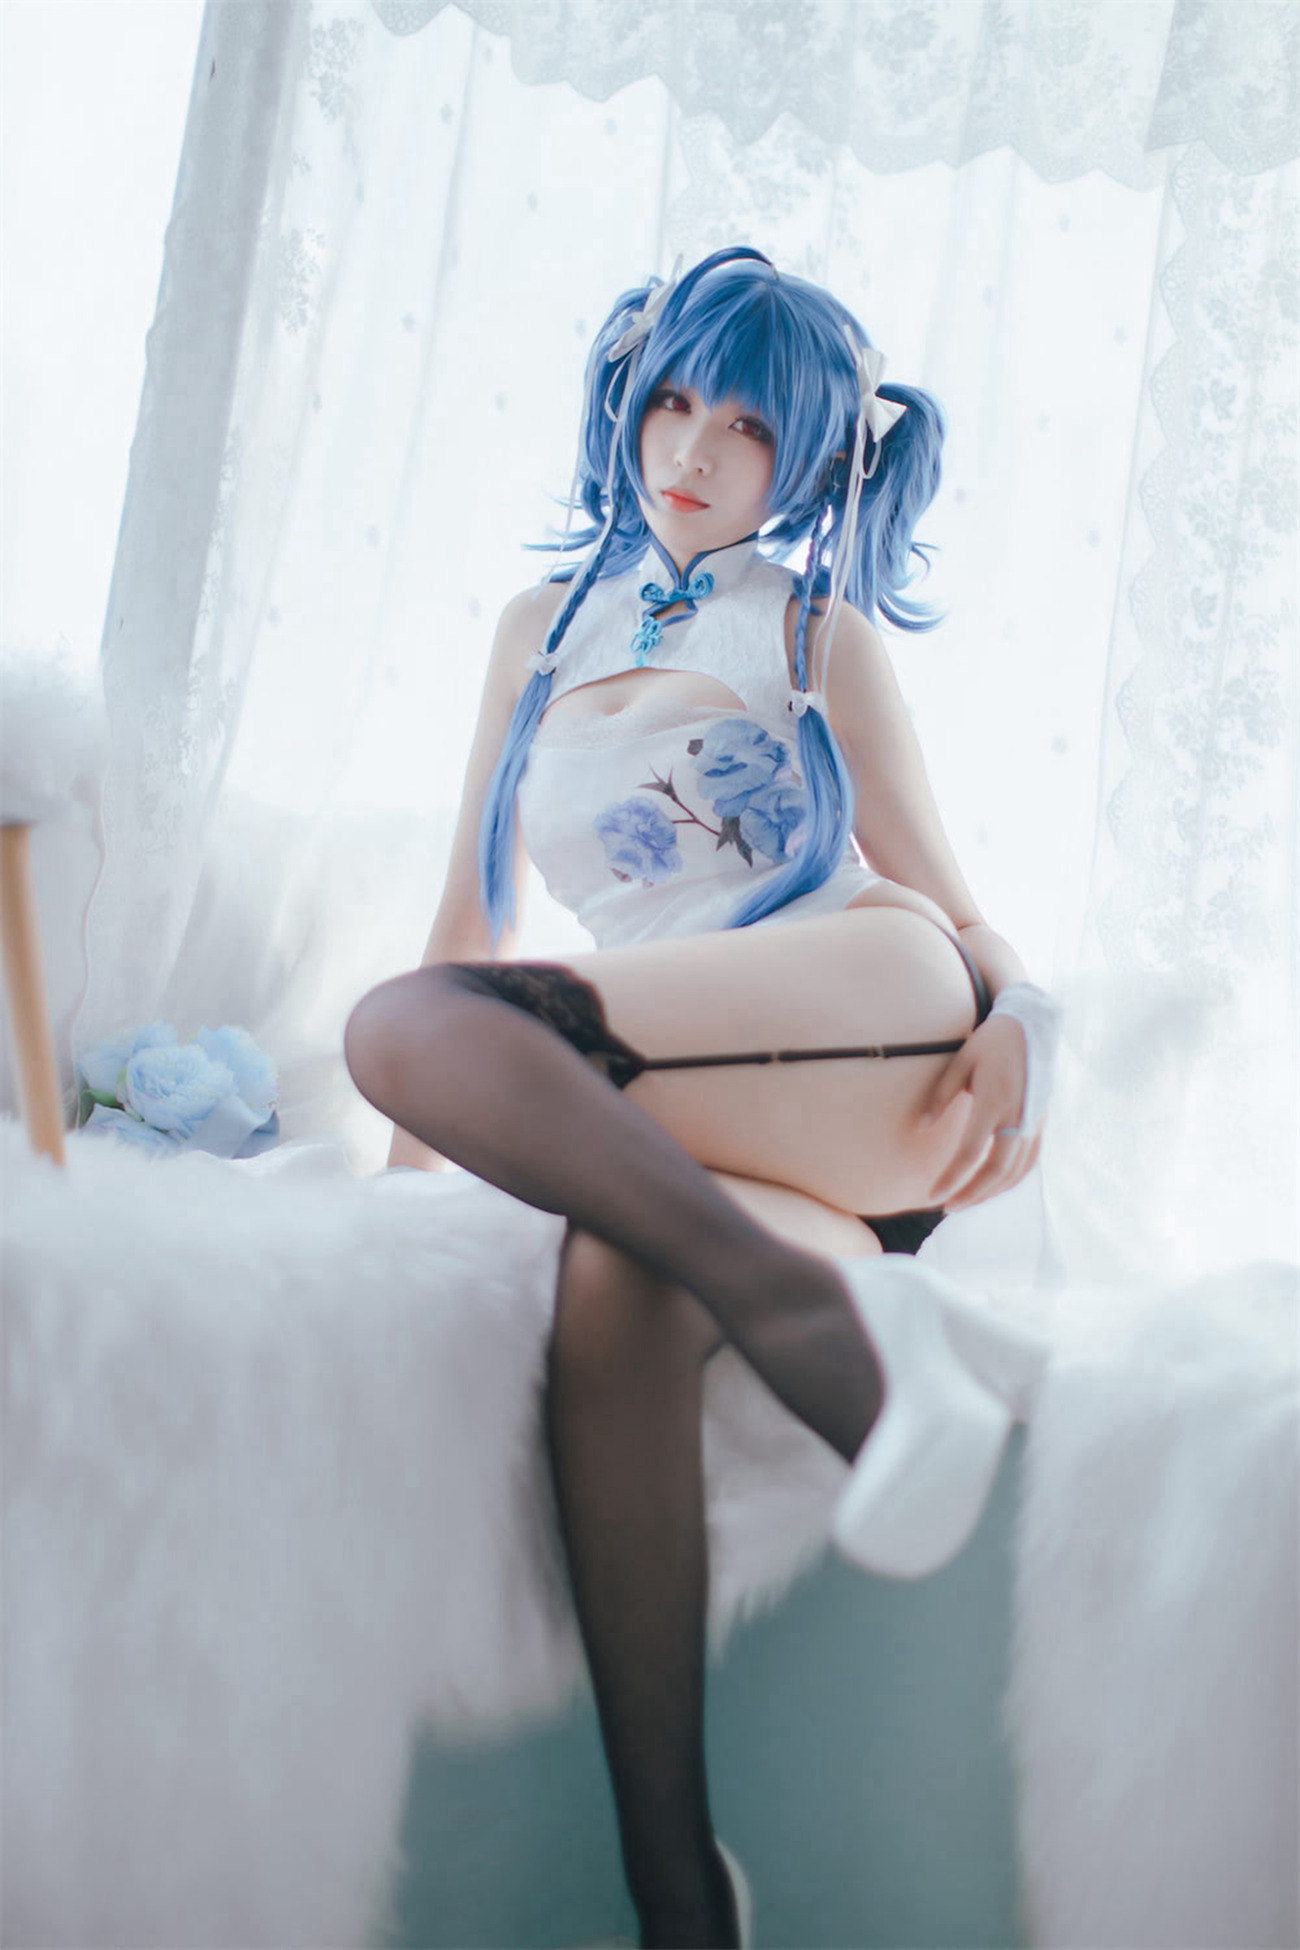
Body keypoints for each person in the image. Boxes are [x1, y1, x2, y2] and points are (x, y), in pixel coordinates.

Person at [343, 247, 1056, 1950]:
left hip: (871, 1024)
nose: (696, 448)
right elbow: (471, 922)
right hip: (698, 1109)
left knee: (404, 1023)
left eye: (749, 426)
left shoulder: (812, 630)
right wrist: (387, 1209)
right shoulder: (537, 633)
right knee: (614, 1276)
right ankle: (676, 1882)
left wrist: (1028, 1011)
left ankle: (812, 1334)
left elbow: (951, 901)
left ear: (806, 461)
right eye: (674, 400)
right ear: (627, 402)